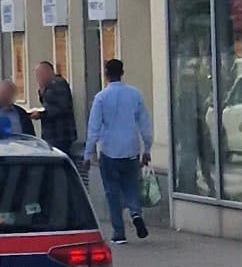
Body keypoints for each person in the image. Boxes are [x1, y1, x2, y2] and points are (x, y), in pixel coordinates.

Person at [85, 58, 153, 245]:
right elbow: (145, 124)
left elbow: (94, 128)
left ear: (106, 74)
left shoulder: (101, 98)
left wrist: (88, 153)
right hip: (131, 148)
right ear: (122, 72)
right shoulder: (135, 94)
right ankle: (135, 212)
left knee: (112, 191)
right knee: (131, 186)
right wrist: (147, 148)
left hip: (109, 150)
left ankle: (119, 233)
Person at [33, 59, 78, 157]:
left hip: (60, 133)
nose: (38, 77)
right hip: (51, 133)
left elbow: (62, 107)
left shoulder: (58, 83)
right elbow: (45, 103)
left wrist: (41, 114)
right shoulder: (47, 86)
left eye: (40, 74)